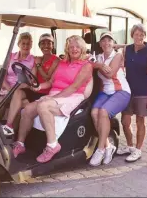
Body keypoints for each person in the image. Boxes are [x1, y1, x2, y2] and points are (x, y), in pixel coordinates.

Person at [12, 35, 93, 163]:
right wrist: (38, 87)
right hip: (56, 94)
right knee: (27, 109)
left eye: (77, 47)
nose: (74, 49)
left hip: (72, 96)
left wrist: (51, 98)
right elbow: (50, 82)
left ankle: (52, 145)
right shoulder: (62, 62)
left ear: (82, 48)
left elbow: (74, 87)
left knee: (43, 106)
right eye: (71, 47)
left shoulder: (86, 65)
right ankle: (20, 144)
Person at [2, 33, 60, 135]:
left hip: (43, 92)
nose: (46, 46)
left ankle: (12, 136)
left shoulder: (55, 60)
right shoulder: (39, 58)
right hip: (32, 89)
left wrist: (37, 64)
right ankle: (9, 126)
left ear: (52, 45)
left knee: (22, 103)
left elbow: (46, 77)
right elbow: (32, 78)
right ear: (39, 46)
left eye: (49, 43)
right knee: (18, 94)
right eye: (43, 43)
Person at [89, 31, 131, 166]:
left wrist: (98, 65)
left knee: (103, 112)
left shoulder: (117, 55)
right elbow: (89, 63)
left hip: (120, 91)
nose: (106, 43)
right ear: (100, 44)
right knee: (94, 112)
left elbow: (110, 74)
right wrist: (97, 64)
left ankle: (100, 149)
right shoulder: (98, 57)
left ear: (113, 44)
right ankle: (108, 146)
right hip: (105, 92)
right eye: (103, 41)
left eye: (109, 40)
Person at [117, 24, 147, 163]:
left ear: (145, 36)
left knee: (140, 121)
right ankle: (130, 146)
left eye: (141, 35)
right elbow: (121, 67)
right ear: (132, 35)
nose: (139, 37)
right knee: (125, 121)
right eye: (136, 34)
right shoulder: (127, 49)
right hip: (128, 90)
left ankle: (138, 150)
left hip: (143, 91)